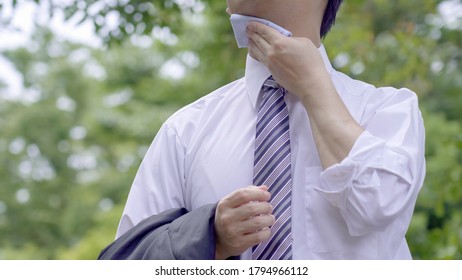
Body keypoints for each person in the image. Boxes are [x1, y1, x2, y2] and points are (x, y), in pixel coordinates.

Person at [108, 0, 426, 260]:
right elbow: (127, 260)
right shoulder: (186, 130)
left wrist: (315, 87)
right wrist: (207, 237)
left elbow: (378, 204)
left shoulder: (389, 110)